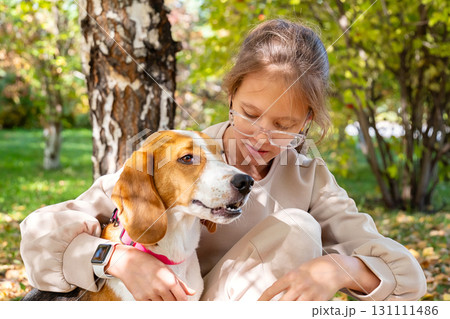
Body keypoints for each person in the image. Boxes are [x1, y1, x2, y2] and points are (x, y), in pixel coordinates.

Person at [20, 19, 426, 301]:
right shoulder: (183, 155)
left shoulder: (310, 178)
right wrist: (115, 258)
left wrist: (339, 269)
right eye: (250, 114)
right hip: (162, 299)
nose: (262, 136)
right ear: (231, 96)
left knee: (299, 228)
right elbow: (38, 238)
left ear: (307, 121)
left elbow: (408, 277)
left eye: (284, 124)